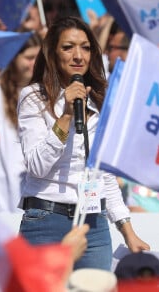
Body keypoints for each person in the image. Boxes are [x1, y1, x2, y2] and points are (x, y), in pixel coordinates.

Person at [17, 16, 149, 270]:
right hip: (46, 222)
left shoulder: (100, 99)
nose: (79, 56)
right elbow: (36, 166)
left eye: (86, 48)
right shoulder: (34, 97)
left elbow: (104, 175)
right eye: (68, 47)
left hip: (95, 225)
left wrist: (127, 231)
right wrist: (66, 116)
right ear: (53, 53)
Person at [0, 33, 42, 212]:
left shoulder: (45, 92)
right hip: (1, 189)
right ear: (14, 58)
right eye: (29, 58)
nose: (34, 64)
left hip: (34, 186)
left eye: (38, 58)